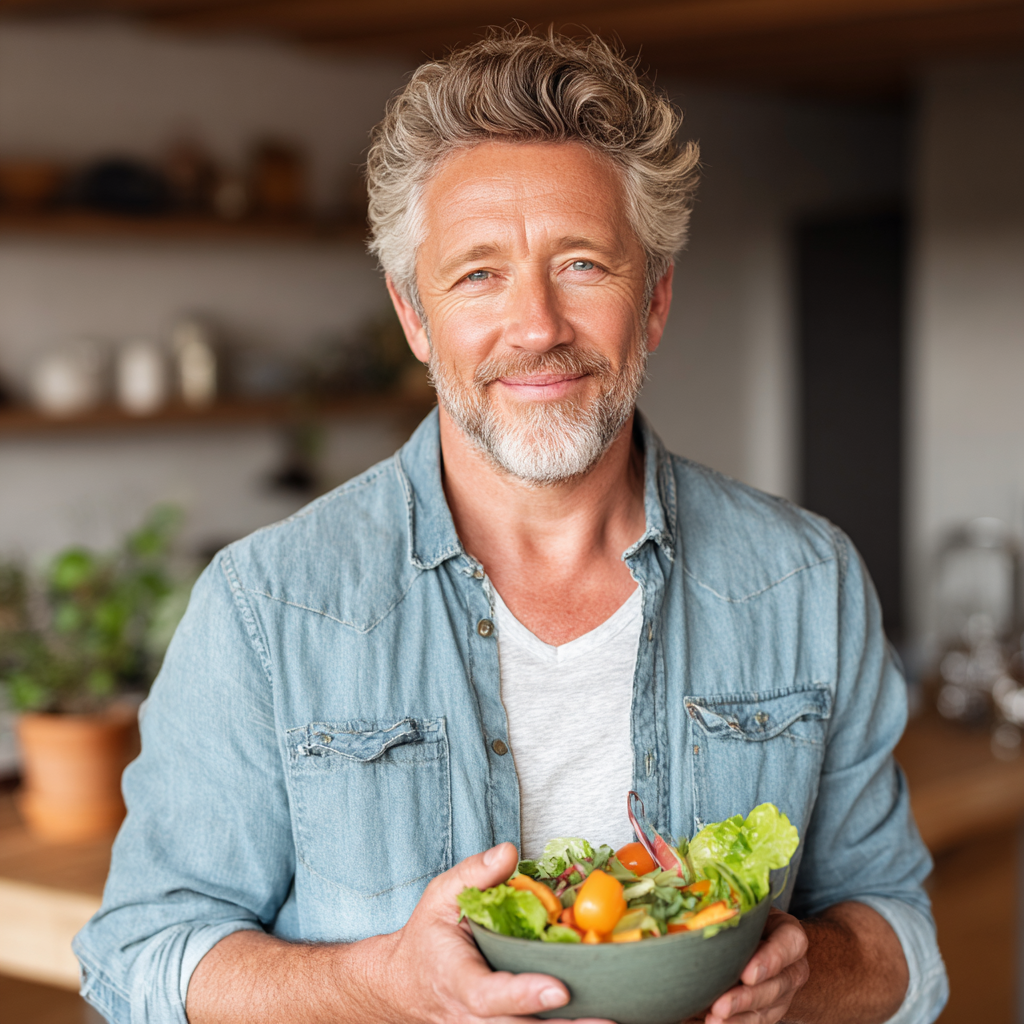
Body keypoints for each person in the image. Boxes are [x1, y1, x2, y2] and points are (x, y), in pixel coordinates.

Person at [74, 30, 947, 1024]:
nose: (535, 326)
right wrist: (378, 986)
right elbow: (139, 959)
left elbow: (899, 936)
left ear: (653, 298)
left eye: (580, 263)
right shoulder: (265, 607)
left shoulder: (806, 581)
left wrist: (808, 971)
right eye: (479, 274)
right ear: (414, 316)